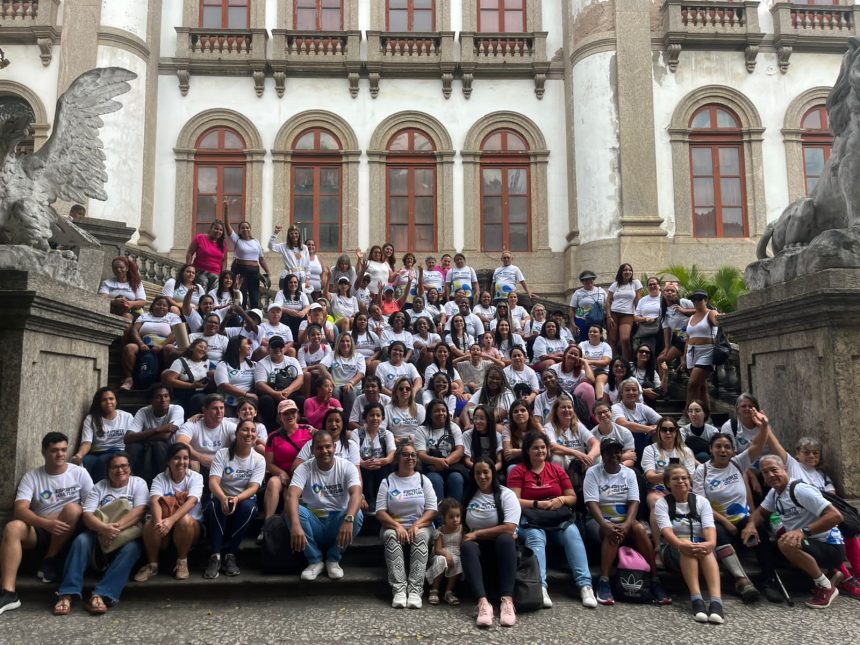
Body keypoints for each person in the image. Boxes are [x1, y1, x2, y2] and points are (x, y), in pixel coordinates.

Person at [0, 433, 93, 613]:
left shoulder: (79, 473)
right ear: (44, 452)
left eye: (64, 450)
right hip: (41, 528)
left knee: (73, 509)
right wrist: (45, 523)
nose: (60, 454)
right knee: (13, 527)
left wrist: (56, 518)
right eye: (54, 450)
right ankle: (8, 592)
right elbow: (20, 510)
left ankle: (49, 559)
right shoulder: (32, 476)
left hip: (70, 528)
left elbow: (91, 504)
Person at [742, 454, 846, 609]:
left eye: (774, 470)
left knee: (786, 543)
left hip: (830, 546)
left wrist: (803, 531)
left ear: (785, 468)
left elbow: (836, 516)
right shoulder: (775, 492)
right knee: (767, 551)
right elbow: (761, 513)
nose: (771, 475)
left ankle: (825, 587)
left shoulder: (800, 490)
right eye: (765, 472)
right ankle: (822, 576)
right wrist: (750, 526)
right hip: (809, 543)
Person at [692, 413, 776, 603]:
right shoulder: (702, 470)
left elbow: (757, 446)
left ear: (733, 450)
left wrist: (764, 426)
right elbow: (701, 503)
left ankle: (769, 580)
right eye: (719, 447)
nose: (723, 450)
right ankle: (742, 580)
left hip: (743, 518)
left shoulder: (738, 463)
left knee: (760, 529)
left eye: (727, 447)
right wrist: (725, 522)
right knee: (718, 532)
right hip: (718, 520)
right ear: (711, 449)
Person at [508, 432, 596, 609]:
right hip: (532, 518)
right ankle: (540, 586)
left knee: (573, 533)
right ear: (527, 451)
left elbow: (572, 497)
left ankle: (585, 585)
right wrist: (537, 503)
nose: (540, 451)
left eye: (543, 447)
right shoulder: (518, 471)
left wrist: (561, 500)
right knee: (535, 537)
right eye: (535, 448)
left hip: (557, 517)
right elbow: (513, 499)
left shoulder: (556, 469)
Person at [52, 452, 147, 616]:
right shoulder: (100, 487)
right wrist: (104, 529)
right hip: (99, 533)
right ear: (108, 470)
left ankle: (101, 594)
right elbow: (87, 515)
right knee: (81, 540)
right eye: (115, 467)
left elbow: (139, 511)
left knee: (133, 548)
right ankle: (67, 593)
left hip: (126, 534)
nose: (120, 470)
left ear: (130, 468)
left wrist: (115, 529)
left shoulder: (138, 483)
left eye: (124, 466)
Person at [584, 437, 670, 606]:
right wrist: (605, 524)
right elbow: (591, 503)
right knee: (612, 533)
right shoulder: (593, 472)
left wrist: (627, 524)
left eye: (617, 451)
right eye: (609, 452)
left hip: (624, 520)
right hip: (598, 521)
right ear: (602, 454)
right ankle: (604, 581)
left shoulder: (629, 473)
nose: (613, 455)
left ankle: (654, 579)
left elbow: (634, 502)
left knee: (638, 528)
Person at [286, 430, 364, 581]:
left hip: (337, 521)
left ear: (334, 447)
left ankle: (333, 559)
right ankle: (314, 560)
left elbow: (356, 493)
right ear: (312, 450)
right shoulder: (304, 468)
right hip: (314, 519)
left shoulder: (347, 466)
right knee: (293, 510)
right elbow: (292, 495)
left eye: (328, 447)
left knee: (357, 514)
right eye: (319, 448)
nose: (324, 451)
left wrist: (349, 520)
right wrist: (295, 525)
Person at [654, 465, 724, 624]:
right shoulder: (662, 503)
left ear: (690, 481)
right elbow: (666, 531)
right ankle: (696, 599)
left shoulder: (702, 502)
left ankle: (716, 601)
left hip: (699, 547)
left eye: (684, 478)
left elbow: (709, 527)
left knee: (705, 550)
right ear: (667, 484)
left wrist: (710, 544)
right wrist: (681, 544)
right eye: (675, 478)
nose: (680, 481)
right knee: (688, 546)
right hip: (672, 549)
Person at [376, 441, 438, 609]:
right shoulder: (387, 482)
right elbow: (380, 512)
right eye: (406, 454)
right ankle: (399, 590)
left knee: (420, 536)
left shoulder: (423, 480)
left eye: (413, 455)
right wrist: (397, 527)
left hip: (421, 525)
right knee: (390, 536)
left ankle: (416, 591)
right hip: (393, 526)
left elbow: (432, 510)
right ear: (398, 458)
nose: (410, 458)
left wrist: (417, 525)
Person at [460, 457, 521, 627]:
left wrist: (478, 533)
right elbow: (464, 527)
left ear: (493, 473)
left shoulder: (506, 494)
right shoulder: (469, 495)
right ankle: (483, 603)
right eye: (477, 473)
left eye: (485, 472)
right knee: (467, 546)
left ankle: (507, 601)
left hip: (501, 549)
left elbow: (509, 527)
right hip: (479, 549)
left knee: (505, 539)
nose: (482, 476)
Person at [134, 443, 204, 583]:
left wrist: (171, 520)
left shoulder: (196, 477)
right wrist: (159, 522)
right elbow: (154, 501)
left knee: (183, 519)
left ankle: (182, 563)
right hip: (165, 527)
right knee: (150, 522)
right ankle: (152, 565)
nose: (181, 462)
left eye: (185, 458)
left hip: (191, 527)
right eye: (176, 458)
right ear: (168, 461)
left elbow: (191, 502)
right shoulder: (160, 478)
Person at [204, 419, 265, 579]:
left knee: (248, 508)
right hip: (221, 497)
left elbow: (254, 487)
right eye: (245, 430)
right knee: (215, 505)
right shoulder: (222, 454)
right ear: (237, 434)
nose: (249, 434)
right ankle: (215, 555)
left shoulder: (259, 459)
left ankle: (230, 554)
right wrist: (224, 497)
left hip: (243, 499)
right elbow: (213, 482)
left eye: (253, 431)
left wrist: (236, 499)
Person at [642, 417, 697, 553]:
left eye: (671, 430)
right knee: (656, 503)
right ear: (658, 432)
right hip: (657, 489)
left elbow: (690, 477)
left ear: (676, 432)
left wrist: (669, 476)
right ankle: (657, 547)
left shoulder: (686, 451)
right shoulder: (650, 450)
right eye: (664, 430)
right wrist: (672, 474)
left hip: (681, 488)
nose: (668, 433)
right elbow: (650, 476)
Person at [261, 399, 314, 523]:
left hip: (306, 475)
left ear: (298, 413)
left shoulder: (308, 430)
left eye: (292, 412)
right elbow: (269, 463)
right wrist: (281, 473)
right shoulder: (273, 436)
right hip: (284, 476)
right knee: (273, 482)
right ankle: (268, 523)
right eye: (286, 413)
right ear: (280, 416)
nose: (290, 415)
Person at [71, 387, 134, 483]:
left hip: (119, 451)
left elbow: (132, 438)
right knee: (85, 462)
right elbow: (87, 442)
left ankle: (101, 490)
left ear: (116, 401)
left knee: (103, 460)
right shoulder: (91, 418)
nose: (108, 402)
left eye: (111, 399)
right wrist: (79, 455)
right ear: (99, 403)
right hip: (97, 452)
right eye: (104, 400)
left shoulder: (127, 417)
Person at [125, 384, 185, 484]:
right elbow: (127, 438)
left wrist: (142, 437)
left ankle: (166, 480)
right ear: (151, 400)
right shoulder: (143, 412)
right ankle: (129, 479)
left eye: (166, 396)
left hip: (168, 448)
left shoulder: (176, 409)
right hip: (147, 447)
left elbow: (165, 436)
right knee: (133, 446)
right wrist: (158, 429)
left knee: (158, 444)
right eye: (158, 397)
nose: (163, 400)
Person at [120, 296, 180, 391]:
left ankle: (169, 379)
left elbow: (176, 333)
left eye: (164, 305)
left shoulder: (173, 317)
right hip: (144, 345)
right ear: (152, 306)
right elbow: (135, 330)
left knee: (170, 348)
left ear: (168, 308)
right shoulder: (145, 316)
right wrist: (140, 344)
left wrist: (161, 345)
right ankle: (129, 379)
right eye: (158, 304)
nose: (161, 307)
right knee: (129, 348)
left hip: (164, 346)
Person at [415, 399, 466, 505]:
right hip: (430, 467)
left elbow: (460, 450)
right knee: (434, 479)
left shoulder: (453, 427)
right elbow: (421, 454)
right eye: (436, 411)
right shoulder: (421, 430)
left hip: (452, 466)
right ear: (429, 414)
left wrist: (444, 462)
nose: (441, 413)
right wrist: (436, 461)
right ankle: (439, 518)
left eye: (443, 410)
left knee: (456, 478)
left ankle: (456, 514)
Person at [175, 394, 237, 475]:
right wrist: (202, 458)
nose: (219, 412)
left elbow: (241, 444)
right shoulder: (192, 424)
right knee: (190, 462)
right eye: (215, 408)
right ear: (204, 410)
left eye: (221, 408)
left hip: (222, 465)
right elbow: (180, 443)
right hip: (198, 464)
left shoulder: (230, 425)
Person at [254, 335, 305, 430]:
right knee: (266, 400)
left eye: (280, 347)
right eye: (274, 347)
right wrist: (275, 394)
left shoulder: (292, 360)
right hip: (271, 393)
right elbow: (260, 384)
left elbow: (300, 379)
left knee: (302, 400)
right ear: (268, 349)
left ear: (284, 348)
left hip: (289, 392)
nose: (278, 349)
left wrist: (288, 390)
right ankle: (270, 429)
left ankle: (298, 428)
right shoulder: (261, 363)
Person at [682, 290, 720, 414]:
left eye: (700, 298)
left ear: (706, 300)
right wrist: (684, 358)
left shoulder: (711, 313)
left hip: (706, 351)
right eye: (694, 299)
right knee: (702, 387)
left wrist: (720, 318)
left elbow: (717, 322)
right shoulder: (691, 318)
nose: (696, 301)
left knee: (692, 384)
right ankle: (707, 416)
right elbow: (688, 339)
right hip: (692, 353)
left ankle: (687, 413)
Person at [544, 396, 599, 480]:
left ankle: (595, 483)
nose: (567, 410)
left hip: (581, 462)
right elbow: (552, 446)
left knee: (597, 457)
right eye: (563, 407)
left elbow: (596, 443)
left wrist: (590, 456)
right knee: (557, 458)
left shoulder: (578, 425)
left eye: (569, 407)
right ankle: (559, 485)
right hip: (565, 461)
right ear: (556, 411)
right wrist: (575, 452)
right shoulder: (549, 427)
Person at [224, 208, 269, 309]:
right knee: (241, 296)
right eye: (243, 228)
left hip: (254, 272)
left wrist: (268, 272)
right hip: (240, 271)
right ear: (239, 230)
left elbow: (261, 259)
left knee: (255, 297)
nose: (245, 229)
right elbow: (227, 226)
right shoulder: (237, 239)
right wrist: (226, 209)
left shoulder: (256, 242)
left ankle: (254, 320)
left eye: (247, 227)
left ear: (250, 229)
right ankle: (241, 317)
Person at [656, 282, 694, 394]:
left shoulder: (683, 302)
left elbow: (702, 310)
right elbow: (666, 329)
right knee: (661, 359)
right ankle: (663, 387)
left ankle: (681, 376)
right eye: (667, 290)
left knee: (689, 365)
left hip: (692, 337)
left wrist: (684, 311)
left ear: (676, 294)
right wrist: (667, 348)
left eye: (672, 291)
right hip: (679, 338)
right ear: (663, 293)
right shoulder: (663, 310)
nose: (669, 292)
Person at [357, 402, 395, 510]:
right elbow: (354, 453)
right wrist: (363, 463)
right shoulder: (357, 433)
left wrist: (384, 461)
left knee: (383, 467)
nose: (375, 418)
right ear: (365, 417)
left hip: (381, 468)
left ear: (382, 418)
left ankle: (381, 502)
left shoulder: (387, 434)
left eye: (378, 415)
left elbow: (392, 453)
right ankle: (368, 501)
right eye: (371, 415)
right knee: (364, 469)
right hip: (363, 468)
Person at [611, 377, 661, 461]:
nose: (631, 392)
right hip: (624, 446)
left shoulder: (642, 407)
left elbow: (662, 421)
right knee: (636, 434)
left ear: (638, 393)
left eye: (634, 390)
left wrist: (656, 427)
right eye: (627, 390)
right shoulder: (616, 408)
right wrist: (648, 428)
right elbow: (623, 423)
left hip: (643, 445)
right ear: (621, 393)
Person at [426, 498, 463, 605]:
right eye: (451, 517)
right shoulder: (440, 531)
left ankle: (448, 592)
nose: (455, 519)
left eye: (457, 516)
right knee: (441, 560)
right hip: (441, 554)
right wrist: (447, 555)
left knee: (457, 561)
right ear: (444, 518)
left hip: (456, 554)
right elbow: (438, 549)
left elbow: (462, 545)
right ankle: (434, 590)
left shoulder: (461, 530)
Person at [161, 338, 210, 417]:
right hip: (182, 395)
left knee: (199, 399)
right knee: (172, 409)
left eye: (205, 348)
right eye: (200, 346)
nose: (203, 349)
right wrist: (191, 385)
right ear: (192, 348)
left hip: (200, 394)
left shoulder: (207, 362)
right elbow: (169, 380)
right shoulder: (180, 361)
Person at [606, 263, 641, 362]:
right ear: (621, 272)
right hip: (613, 313)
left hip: (628, 314)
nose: (627, 272)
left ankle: (627, 363)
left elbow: (638, 300)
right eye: (625, 270)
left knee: (625, 339)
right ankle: (615, 362)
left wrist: (638, 315)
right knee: (612, 340)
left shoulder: (635, 283)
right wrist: (609, 316)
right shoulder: (615, 284)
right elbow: (608, 301)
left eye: (630, 270)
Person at [214, 336, 257, 416]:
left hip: (249, 401)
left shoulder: (254, 365)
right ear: (238, 347)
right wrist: (246, 394)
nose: (250, 346)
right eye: (247, 344)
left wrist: (249, 396)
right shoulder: (223, 364)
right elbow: (223, 385)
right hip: (228, 401)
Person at [547, 345, 595, 414]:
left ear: (579, 358)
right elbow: (548, 385)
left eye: (576, 355)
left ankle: (589, 417)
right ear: (565, 354)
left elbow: (591, 380)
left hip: (572, 400)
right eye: (571, 353)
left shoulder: (580, 372)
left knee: (587, 387)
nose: (572, 356)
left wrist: (585, 363)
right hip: (556, 397)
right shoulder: (554, 368)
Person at [591, 401, 637, 468]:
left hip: (622, 468)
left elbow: (631, 459)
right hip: (598, 470)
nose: (603, 415)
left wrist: (615, 468)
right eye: (599, 413)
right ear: (594, 416)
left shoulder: (625, 432)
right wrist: (623, 456)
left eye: (605, 411)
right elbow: (594, 460)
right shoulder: (590, 436)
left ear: (611, 412)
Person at [186, 220, 227, 293]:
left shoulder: (223, 244)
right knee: (201, 292)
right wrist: (189, 268)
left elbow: (224, 260)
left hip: (216, 274)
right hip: (200, 271)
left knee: (213, 295)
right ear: (211, 229)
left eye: (221, 230)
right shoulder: (200, 238)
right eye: (216, 228)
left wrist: (223, 274)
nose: (218, 231)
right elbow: (190, 253)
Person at [502, 399, 542, 472]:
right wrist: (532, 452)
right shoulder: (507, 428)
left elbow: (546, 449)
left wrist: (517, 452)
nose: (519, 413)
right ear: (511, 415)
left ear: (529, 413)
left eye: (523, 410)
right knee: (512, 468)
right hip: (516, 464)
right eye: (515, 411)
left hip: (536, 462)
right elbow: (507, 454)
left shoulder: (537, 427)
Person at [461, 404, 503, 472]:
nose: (477, 421)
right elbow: (467, 460)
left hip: (492, 471)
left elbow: (499, 462)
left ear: (489, 420)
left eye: (482, 418)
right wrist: (480, 470)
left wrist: (489, 471)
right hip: (474, 470)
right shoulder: (467, 435)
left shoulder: (497, 436)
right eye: (475, 418)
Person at [569, 270, 607, 342]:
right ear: (582, 281)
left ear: (593, 280)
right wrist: (573, 324)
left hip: (598, 320)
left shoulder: (601, 290)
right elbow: (572, 309)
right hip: (582, 320)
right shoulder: (578, 293)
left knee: (597, 341)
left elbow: (608, 304)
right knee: (584, 341)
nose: (588, 281)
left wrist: (609, 316)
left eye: (590, 279)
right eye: (585, 280)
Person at [269, 224, 309, 290]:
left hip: (302, 278)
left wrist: (307, 278)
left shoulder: (304, 248)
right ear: (288, 235)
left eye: (296, 233)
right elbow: (271, 246)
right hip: (288, 278)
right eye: (291, 233)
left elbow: (307, 265)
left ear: (299, 234)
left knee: (305, 298)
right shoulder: (284, 246)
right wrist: (275, 233)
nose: (294, 235)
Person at [578, 325, 612, 401]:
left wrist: (589, 361)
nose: (592, 333)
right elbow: (581, 359)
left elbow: (605, 362)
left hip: (602, 371)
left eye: (595, 332)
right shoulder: (582, 344)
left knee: (600, 378)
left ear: (600, 334)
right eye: (590, 332)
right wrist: (596, 361)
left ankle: (600, 401)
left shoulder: (605, 346)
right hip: (586, 369)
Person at [273, 273, 310, 343]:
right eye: (291, 282)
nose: (293, 284)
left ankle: (299, 340)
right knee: (284, 316)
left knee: (305, 318)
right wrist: (290, 311)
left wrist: (303, 312)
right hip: (286, 317)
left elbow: (307, 306)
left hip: (299, 316)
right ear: (287, 283)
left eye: (295, 282)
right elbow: (277, 306)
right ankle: (288, 340)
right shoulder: (281, 293)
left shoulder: (302, 294)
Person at [633, 277, 663, 354]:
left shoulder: (664, 298)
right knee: (649, 351)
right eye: (650, 284)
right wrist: (645, 319)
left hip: (662, 329)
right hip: (647, 330)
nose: (652, 286)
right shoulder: (643, 300)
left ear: (659, 286)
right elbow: (635, 317)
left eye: (654, 284)